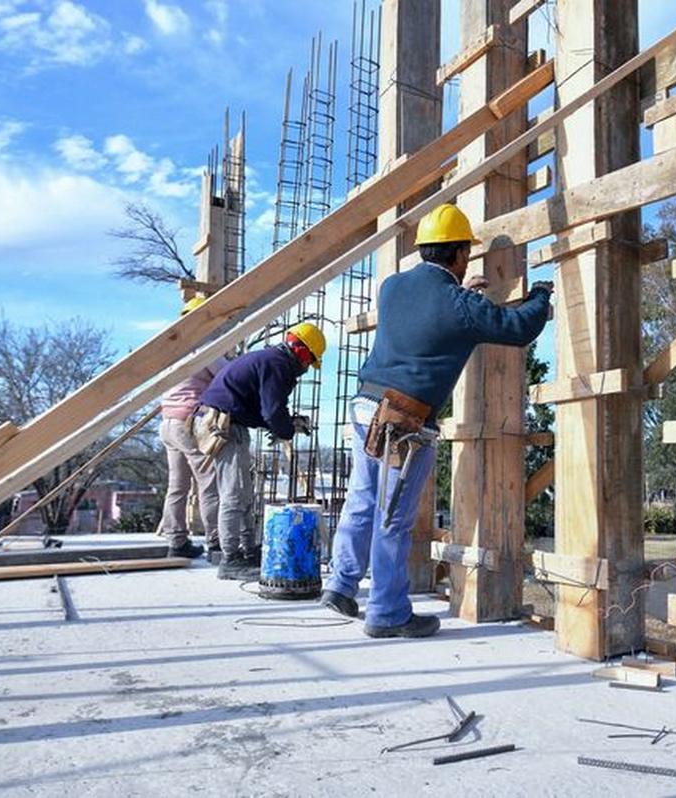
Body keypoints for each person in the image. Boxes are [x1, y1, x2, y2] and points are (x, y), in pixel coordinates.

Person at [321, 203, 553, 638]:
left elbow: (431, 313)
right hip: (401, 423)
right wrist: (541, 294)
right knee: (393, 517)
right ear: (460, 255)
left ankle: (341, 586)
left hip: (365, 407)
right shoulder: (459, 304)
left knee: (364, 500)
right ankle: (387, 614)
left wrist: (465, 295)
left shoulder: (392, 287)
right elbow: (518, 327)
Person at [195, 321, 325, 580]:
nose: (307, 369)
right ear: (302, 352)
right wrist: (286, 429)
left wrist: (285, 423)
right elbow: (272, 410)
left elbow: (265, 407)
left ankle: (247, 550)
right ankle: (230, 559)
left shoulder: (269, 359)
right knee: (234, 493)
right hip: (225, 427)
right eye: (310, 362)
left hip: (228, 423)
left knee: (242, 491)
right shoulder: (278, 365)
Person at [157, 296, 225, 560]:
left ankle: (176, 541)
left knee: (177, 486)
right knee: (209, 483)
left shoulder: (173, 348)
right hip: (189, 422)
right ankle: (217, 543)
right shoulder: (203, 347)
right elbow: (226, 373)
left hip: (168, 423)